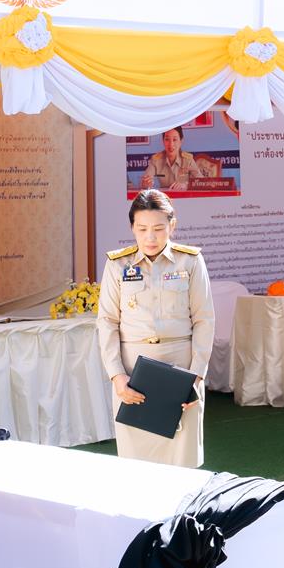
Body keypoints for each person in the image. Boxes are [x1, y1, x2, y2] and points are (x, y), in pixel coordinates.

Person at [97, 189, 214, 467]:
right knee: (138, 464)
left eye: (159, 228)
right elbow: (107, 322)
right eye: (142, 229)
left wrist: (195, 378)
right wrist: (117, 377)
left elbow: (204, 320)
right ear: (132, 228)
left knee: (182, 462)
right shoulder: (117, 265)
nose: (151, 237)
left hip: (181, 372)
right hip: (133, 374)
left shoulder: (190, 261)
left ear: (172, 225)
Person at [141, 126, 201, 191]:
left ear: (181, 141)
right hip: (165, 198)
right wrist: (146, 184)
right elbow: (145, 181)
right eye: (167, 139)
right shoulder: (156, 160)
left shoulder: (188, 160)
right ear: (163, 141)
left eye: (174, 140)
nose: (171, 144)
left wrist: (186, 185)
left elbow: (201, 182)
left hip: (184, 198)